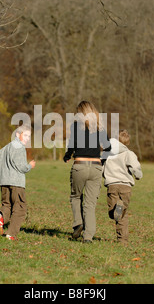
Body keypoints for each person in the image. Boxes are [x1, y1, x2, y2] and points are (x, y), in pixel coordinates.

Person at [63, 101, 111, 243]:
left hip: (80, 165)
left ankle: (78, 223)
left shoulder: (76, 126)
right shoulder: (100, 127)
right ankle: (88, 237)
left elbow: (72, 145)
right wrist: (101, 162)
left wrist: (67, 156)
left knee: (76, 196)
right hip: (96, 167)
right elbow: (108, 148)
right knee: (90, 204)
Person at [0, 125, 36, 240]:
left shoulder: (8, 146)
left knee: (7, 205)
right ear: (18, 135)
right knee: (20, 208)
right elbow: (21, 167)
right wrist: (30, 166)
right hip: (16, 183)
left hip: (4, 182)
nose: (28, 138)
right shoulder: (20, 148)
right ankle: (11, 234)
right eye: (26, 135)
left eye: (29, 136)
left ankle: (1, 216)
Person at [103, 130, 142, 244]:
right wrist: (138, 175)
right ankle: (122, 240)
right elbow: (136, 168)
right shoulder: (129, 154)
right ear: (127, 143)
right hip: (126, 187)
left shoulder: (108, 154)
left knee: (113, 213)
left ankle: (122, 238)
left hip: (112, 186)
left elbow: (102, 167)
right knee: (122, 214)